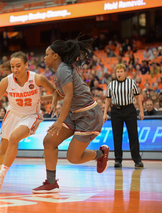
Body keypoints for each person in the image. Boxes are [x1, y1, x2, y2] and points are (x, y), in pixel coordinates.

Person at [32, 38, 109, 194]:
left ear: (55, 55)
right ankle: (51, 183)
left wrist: (59, 121)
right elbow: (60, 94)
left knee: (73, 158)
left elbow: (68, 96)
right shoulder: (59, 71)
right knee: (49, 141)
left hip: (88, 115)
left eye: (47, 55)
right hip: (74, 114)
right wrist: (35, 98)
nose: (44, 58)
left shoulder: (63, 69)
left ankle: (101, 154)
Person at [0, 52, 57, 190]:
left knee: (14, 137)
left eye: (18, 66)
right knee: (2, 149)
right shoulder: (6, 81)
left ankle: (1, 177)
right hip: (13, 114)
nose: (15, 69)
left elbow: (55, 92)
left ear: (26, 65)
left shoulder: (38, 78)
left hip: (31, 115)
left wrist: (52, 102)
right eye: (12, 67)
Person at [103, 63, 144, 169]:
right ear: (115, 73)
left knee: (133, 135)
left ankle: (137, 160)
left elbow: (138, 97)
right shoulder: (111, 85)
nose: (119, 73)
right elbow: (108, 99)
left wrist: (141, 111)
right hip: (116, 110)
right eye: (118, 72)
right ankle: (118, 160)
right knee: (117, 136)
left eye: (121, 71)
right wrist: (105, 113)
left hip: (129, 109)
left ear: (125, 73)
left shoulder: (131, 83)